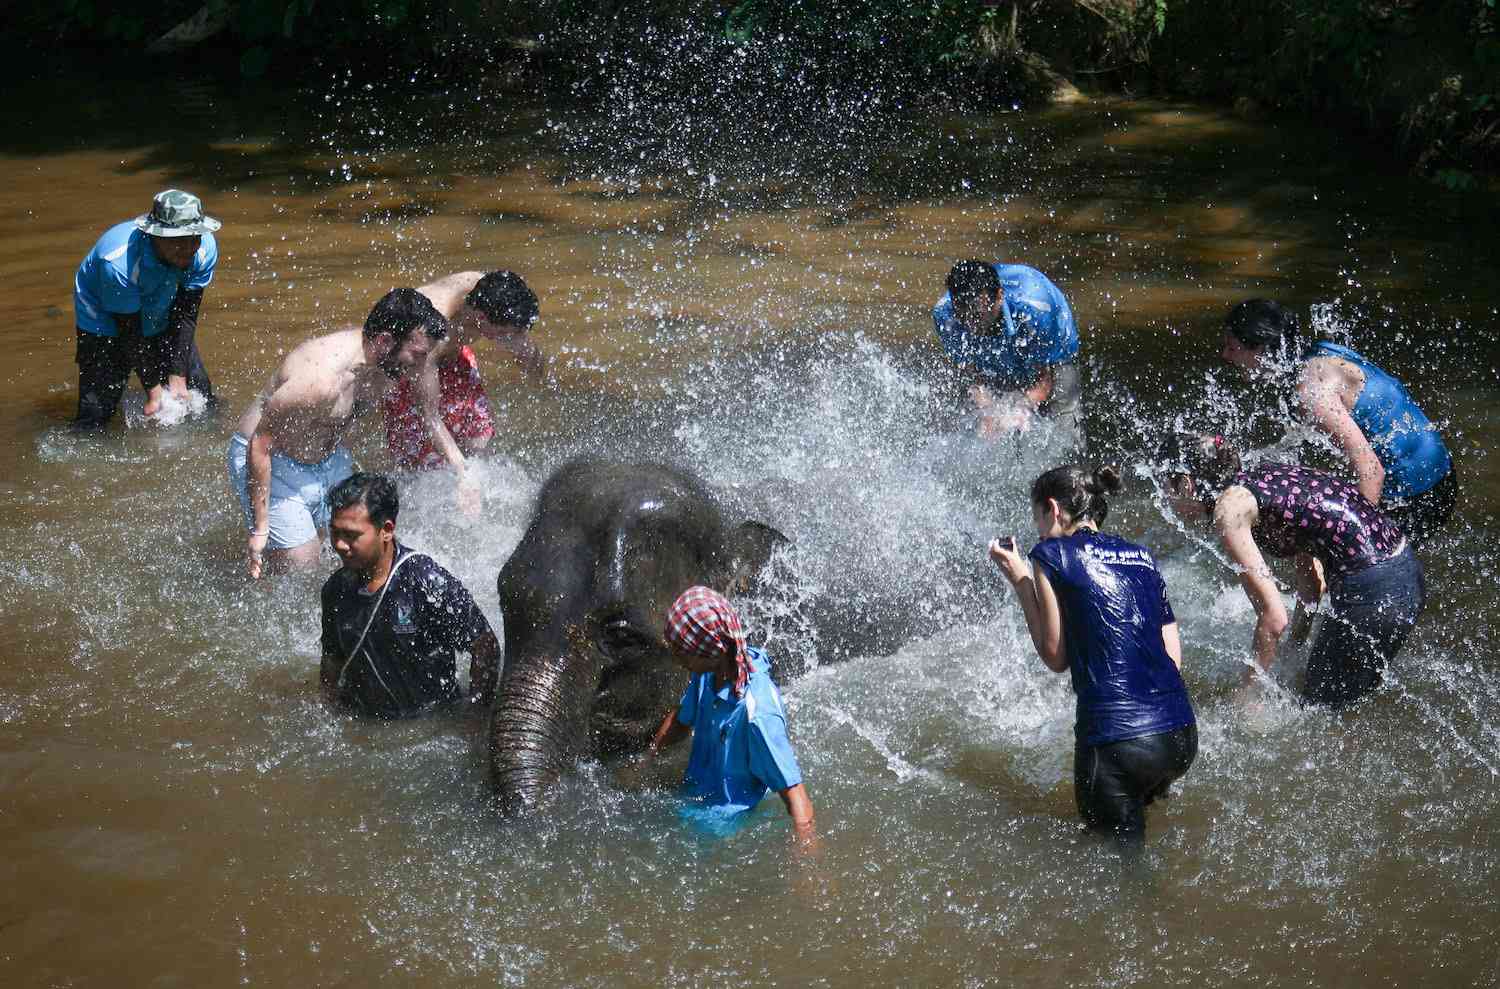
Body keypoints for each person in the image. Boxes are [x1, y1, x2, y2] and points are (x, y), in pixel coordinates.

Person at [989, 466, 1196, 852]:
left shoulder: (1050, 554)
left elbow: (1055, 655)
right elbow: (1172, 657)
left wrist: (1020, 578)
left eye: (1037, 518)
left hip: (1117, 744)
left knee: (1119, 873)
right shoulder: (1142, 556)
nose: (1037, 530)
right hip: (1180, 734)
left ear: (1053, 509)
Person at [1160, 433, 1426, 709]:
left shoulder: (1230, 509)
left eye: (1166, 485)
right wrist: (1294, 647)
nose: (1165, 498)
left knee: (1321, 717)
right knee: (1334, 705)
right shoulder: (1266, 477)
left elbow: (1274, 617)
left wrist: (1246, 695)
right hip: (1405, 572)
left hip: (1375, 591)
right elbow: (1312, 581)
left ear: (1187, 484)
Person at [227, 288, 447, 578]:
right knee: (301, 569)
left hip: (328, 458)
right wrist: (260, 529)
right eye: (417, 355)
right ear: (384, 341)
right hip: (273, 459)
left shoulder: (386, 366)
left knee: (369, 544)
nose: (421, 366)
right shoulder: (320, 381)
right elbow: (260, 443)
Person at [1220, 298, 1457, 544]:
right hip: (1440, 471)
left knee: (1353, 563)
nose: (1224, 354)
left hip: (1419, 494)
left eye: (1231, 346)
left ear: (1260, 348)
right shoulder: (1320, 351)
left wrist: (1354, 544)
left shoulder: (1311, 392)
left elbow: (1371, 472)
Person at [320, 472, 499, 718]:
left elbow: (484, 644)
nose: (339, 544)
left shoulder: (425, 582)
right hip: (369, 725)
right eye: (335, 532)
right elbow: (332, 659)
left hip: (432, 721)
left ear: (386, 530)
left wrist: (475, 713)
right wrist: (330, 710)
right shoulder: (335, 591)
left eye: (351, 535)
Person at [641, 586, 815, 839]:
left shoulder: (758, 713)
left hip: (728, 824)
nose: (674, 656)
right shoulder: (708, 674)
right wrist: (646, 761)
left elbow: (795, 793)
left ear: (709, 650)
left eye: (681, 650)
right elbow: (681, 719)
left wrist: (808, 862)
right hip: (692, 794)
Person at [381, 270, 542, 508]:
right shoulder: (430, 332)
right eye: (510, 332)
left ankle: (472, 496)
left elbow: (536, 370)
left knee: (480, 438)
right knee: (420, 465)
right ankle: (409, 510)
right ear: (481, 319)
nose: (516, 337)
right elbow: (430, 417)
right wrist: (463, 473)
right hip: (408, 371)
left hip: (455, 357)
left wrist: (527, 355)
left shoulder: (489, 291)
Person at [71, 188, 221, 428]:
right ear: (154, 236)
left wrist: (177, 375)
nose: (190, 247)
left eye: (195, 237)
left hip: (161, 304)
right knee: (95, 414)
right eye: (179, 240)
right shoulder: (118, 262)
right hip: (104, 317)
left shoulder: (204, 250)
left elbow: (186, 314)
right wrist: (153, 391)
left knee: (200, 392)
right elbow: (130, 331)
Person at [933, 260, 1081, 437]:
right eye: (962, 315)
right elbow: (972, 374)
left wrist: (1020, 409)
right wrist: (987, 410)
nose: (971, 324)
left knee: (1062, 418)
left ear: (1000, 295)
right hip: (1009, 335)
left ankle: (1076, 459)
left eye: (977, 315)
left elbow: (1045, 380)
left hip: (1053, 346)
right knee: (966, 419)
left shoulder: (1036, 311)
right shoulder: (945, 316)